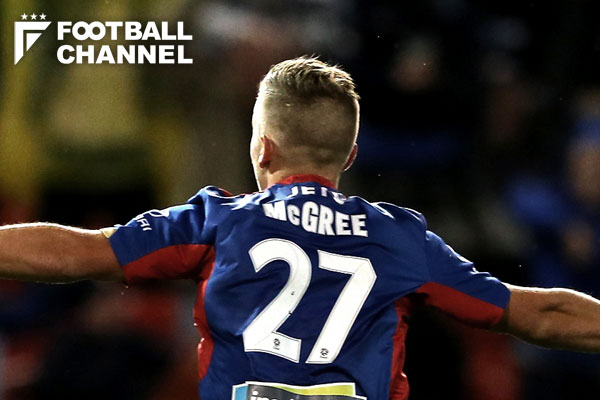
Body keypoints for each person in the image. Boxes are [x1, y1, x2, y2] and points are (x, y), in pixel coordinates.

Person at [1, 57, 600, 400]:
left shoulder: (220, 224)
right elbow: (539, 313)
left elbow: (80, 253)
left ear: (262, 147)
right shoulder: (400, 240)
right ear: (350, 156)